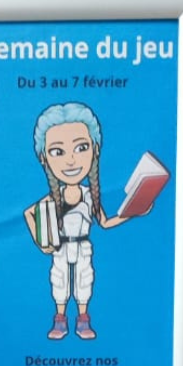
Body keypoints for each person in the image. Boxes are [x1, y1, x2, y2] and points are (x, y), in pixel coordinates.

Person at [23, 103, 140, 342]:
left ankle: (83, 320)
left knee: (84, 280)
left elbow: (104, 222)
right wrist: (42, 242)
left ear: (95, 149)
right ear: (44, 158)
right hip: (61, 246)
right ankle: (60, 319)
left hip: (83, 245)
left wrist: (133, 213)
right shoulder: (53, 198)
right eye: (58, 151)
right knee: (60, 281)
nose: (71, 160)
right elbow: (29, 213)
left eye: (81, 148)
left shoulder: (89, 195)